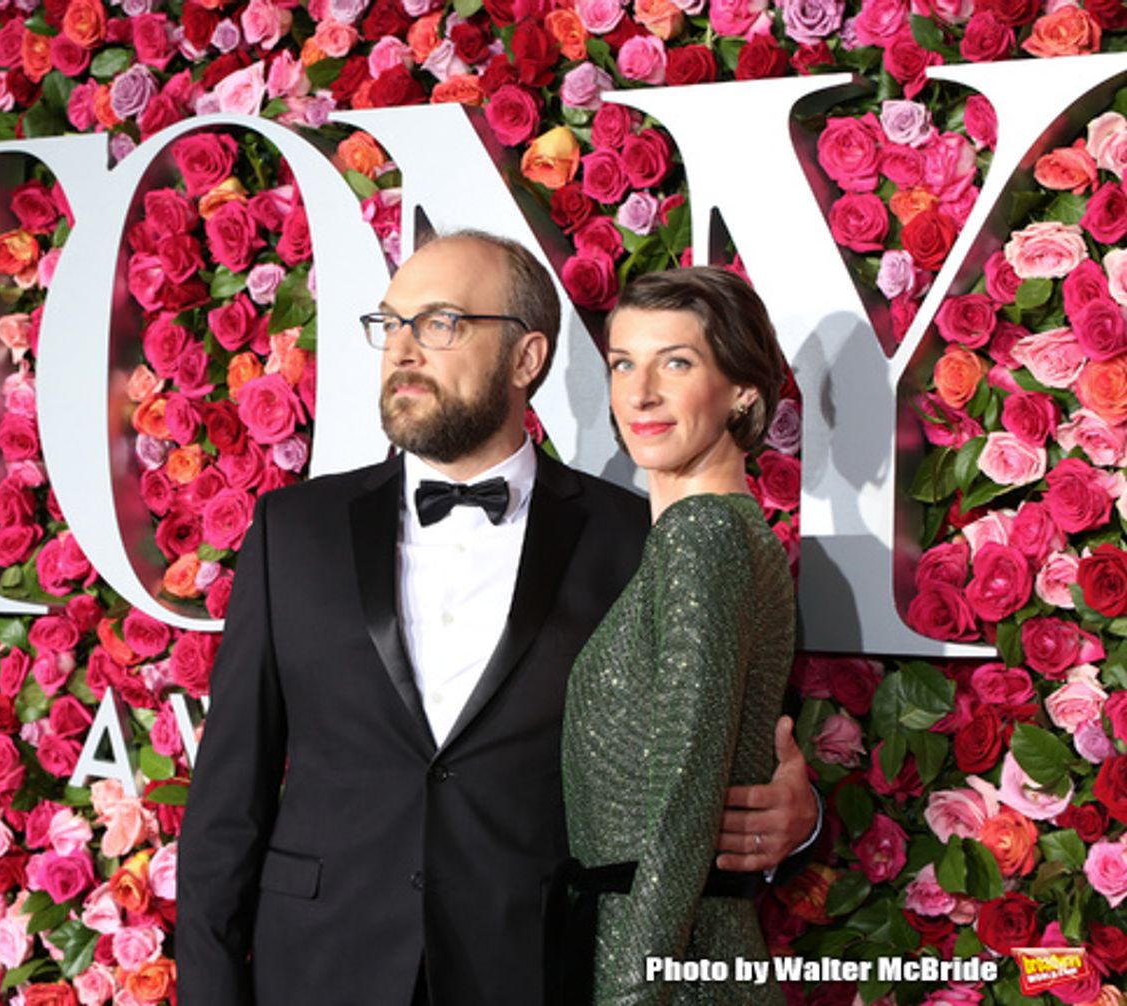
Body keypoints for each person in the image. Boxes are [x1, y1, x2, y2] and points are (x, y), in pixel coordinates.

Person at [176, 233, 816, 1006]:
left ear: (526, 359)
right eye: (391, 324)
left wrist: (797, 819)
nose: (404, 349)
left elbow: (741, 738)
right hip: (318, 968)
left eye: (441, 322)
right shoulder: (293, 531)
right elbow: (226, 804)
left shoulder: (638, 538)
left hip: (535, 969)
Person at [560, 267, 796, 1006]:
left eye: (678, 363)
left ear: (743, 391)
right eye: (623, 363)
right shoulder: (723, 534)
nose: (640, 394)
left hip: (666, 960)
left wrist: (634, 987)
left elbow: (685, 787)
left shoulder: (702, 536)